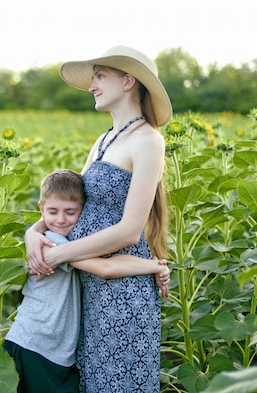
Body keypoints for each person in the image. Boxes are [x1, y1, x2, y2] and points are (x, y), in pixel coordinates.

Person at [25, 46, 173, 392]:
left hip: (124, 290)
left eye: (100, 76)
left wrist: (61, 254)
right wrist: (34, 233)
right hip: (92, 287)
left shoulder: (148, 140)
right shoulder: (103, 140)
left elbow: (128, 230)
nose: (92, 85)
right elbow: (69, 205)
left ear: (128, 81)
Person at [5, 169, 169, 393]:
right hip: (38, 345)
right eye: (53, 211)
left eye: (71, 212)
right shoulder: (52, 242)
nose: (61, 219)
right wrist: (154, 266)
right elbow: (106, 268)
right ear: (41, 209)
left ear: (84, 211)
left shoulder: (64, 239)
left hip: (49, 349)